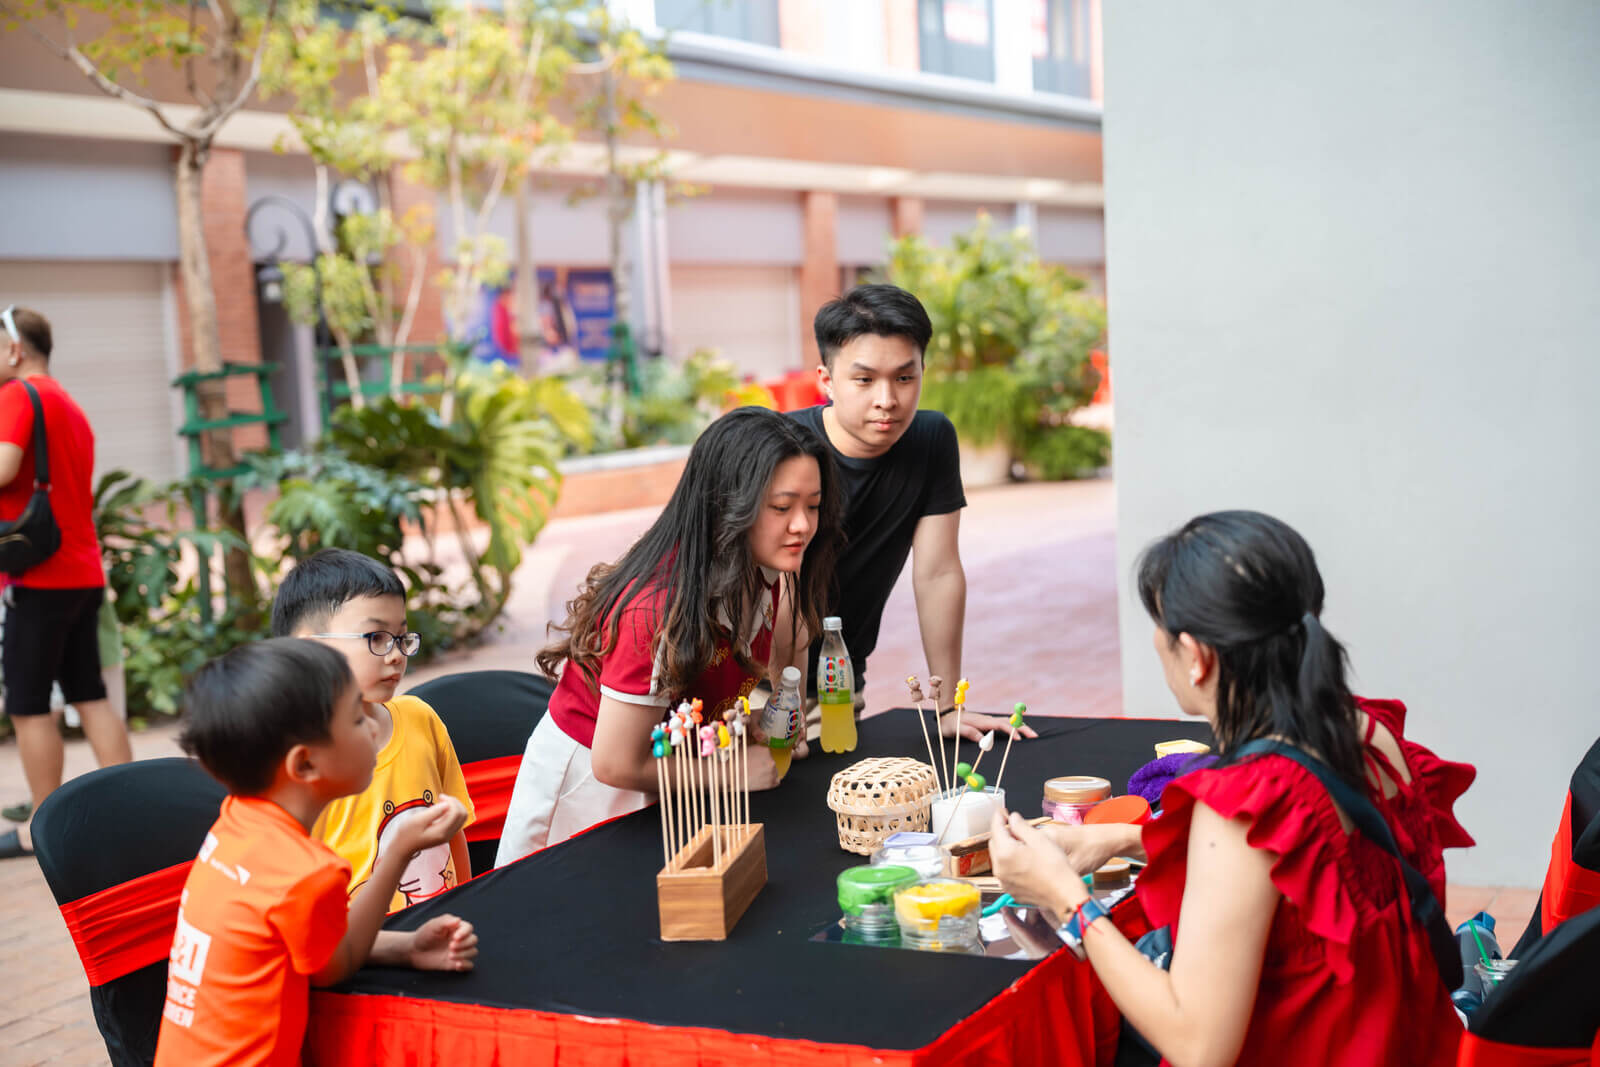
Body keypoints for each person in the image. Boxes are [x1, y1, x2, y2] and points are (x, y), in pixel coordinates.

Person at [988, 511, 1474, 1066]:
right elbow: (1307, 863)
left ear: (1196, 656)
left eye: (1159, 626)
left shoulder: (1246, 801)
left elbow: (1199, 1046)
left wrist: (1066, 900)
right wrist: (1120, 840)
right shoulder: (1369, 731)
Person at [495, 406, 843, 865]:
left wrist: (750, 727)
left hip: (673, 784)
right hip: (593, 801)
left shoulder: (766, 569)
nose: (803, 525)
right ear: (726, 505)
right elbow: (614, 763)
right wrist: (729, 774)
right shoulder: (656, 611)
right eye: (782, 507)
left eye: (813, 506)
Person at [156, 639, 477, 1066]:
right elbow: (335, 966)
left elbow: (315, 949)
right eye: (357, 719)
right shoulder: (305, 872)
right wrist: (399, 849)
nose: (374, 729)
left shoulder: (234, 824)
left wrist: (408, 947)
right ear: (305, 764)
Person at [788, 284, 1034, 743]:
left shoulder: (930, 439)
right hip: (749, 685)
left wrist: (948, 707)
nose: (887, 399)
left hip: (838, 680)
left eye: (904, 378)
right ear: (826, 380)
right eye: (864, 380)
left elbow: (938, 573)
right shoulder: (780, 445)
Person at [272, 548, 475, 912]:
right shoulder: (298, 765)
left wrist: (468, 908)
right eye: (376, 637)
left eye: (401, 637)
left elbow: (452, 834)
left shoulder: (420, 719)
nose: (396, 654)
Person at [0, 305, 131, 861]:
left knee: (29, 705)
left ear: (15, 349)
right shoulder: (70, 405)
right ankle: (130, 807)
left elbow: (4, 467)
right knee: (90, 695)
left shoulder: (16, 395)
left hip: (36, 576)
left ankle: (41, 827)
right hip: (82, 572)